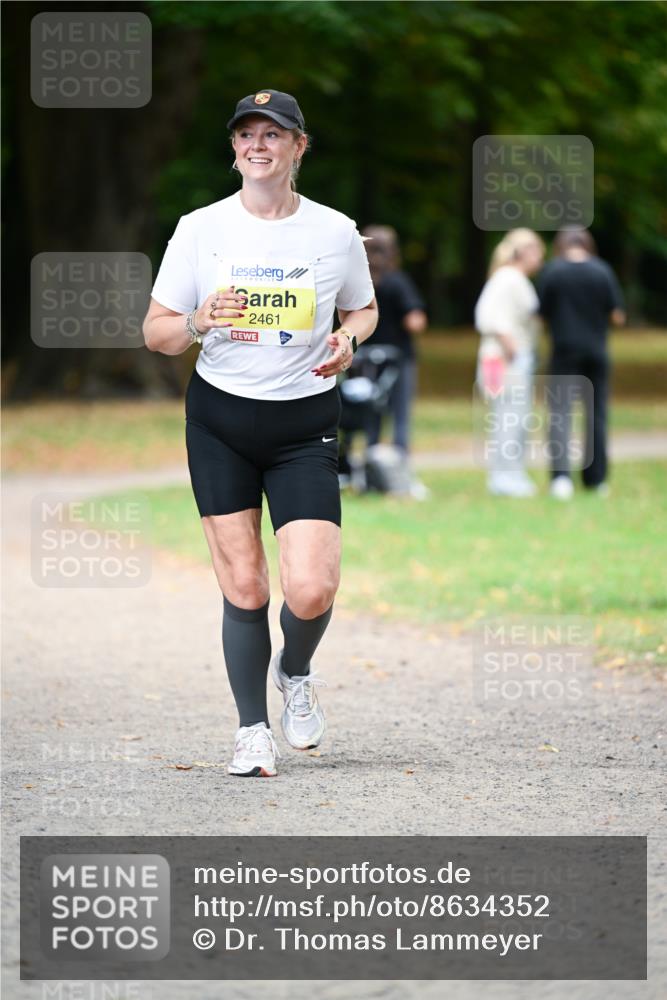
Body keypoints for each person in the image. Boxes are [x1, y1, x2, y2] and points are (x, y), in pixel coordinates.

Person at [143, 89, 378, 777]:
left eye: (271, 134)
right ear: (234, 149)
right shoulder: (199, 229)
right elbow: (156, 334)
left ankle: (295, 670)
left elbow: (362, 310)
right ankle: (251, 733)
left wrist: (346, 339)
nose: (256, 145)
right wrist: (196, 322)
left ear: (298, 146)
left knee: (310, 589)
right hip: (220, 420)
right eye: (245, 134)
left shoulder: (334, 231)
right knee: (244, 585)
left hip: (304, 422)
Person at [538, 227, 625, 499]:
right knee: (596, 414)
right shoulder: (602, 271)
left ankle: (561, 479)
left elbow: (541, 315)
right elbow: (618, 316)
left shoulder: (552, 271)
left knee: (560, 413)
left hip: (564, 351)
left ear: (561, 245)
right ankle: (596, 479)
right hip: (596, 352)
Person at [474, 228, 545, 497]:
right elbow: (489, 317)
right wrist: (514, 349)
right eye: (538, 252)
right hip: (503, 360)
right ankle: (504, 477)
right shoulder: (509, 278)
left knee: (512, 417)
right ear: (525, 251)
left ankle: (511, 473)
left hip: (504, 359)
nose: (540, 259)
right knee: (508, 417)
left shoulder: (509, 278)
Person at [360, 226, 428, 456]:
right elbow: (414, 321)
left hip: (365, 357)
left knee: (371, 411)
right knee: (400, 413)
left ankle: (370, 456)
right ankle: (399, 459)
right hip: (398, 357)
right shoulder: (397, 281)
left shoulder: (359, 281)